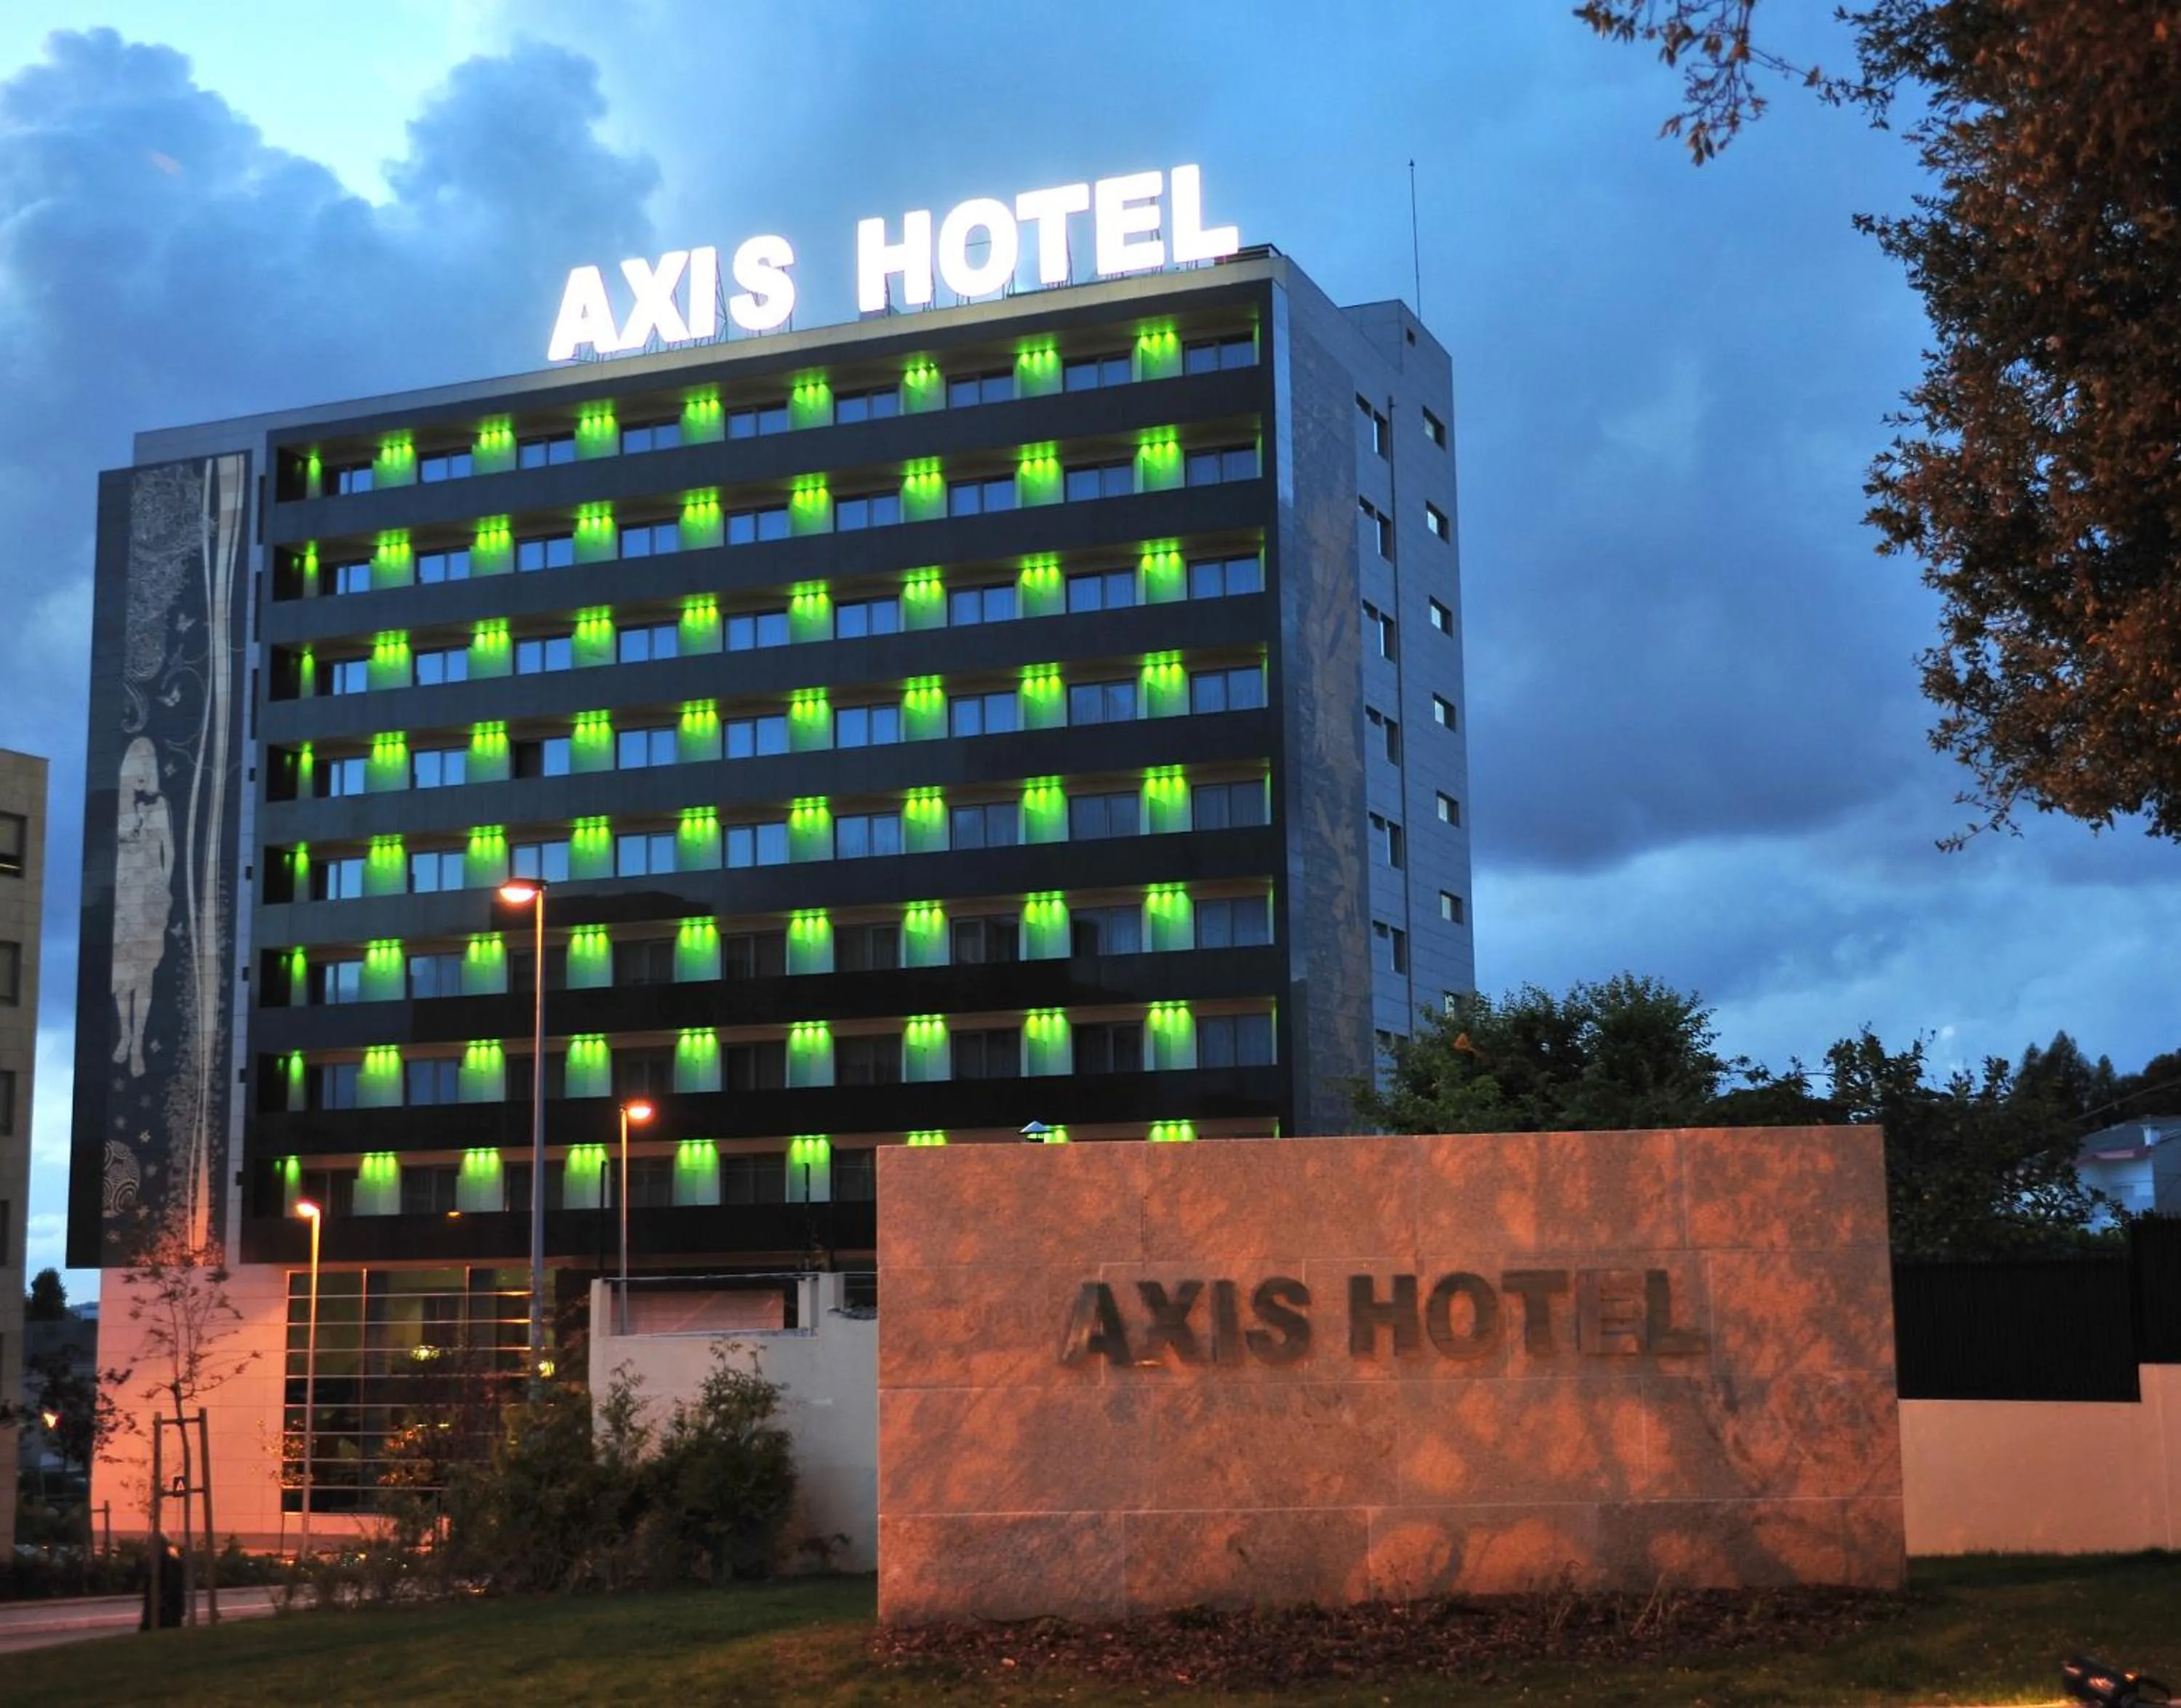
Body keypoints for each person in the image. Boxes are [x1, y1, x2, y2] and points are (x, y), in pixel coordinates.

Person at [140, 1532, 185, 1631]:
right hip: (159, 1611)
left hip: (165, 1612)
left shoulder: (168, 1564)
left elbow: (174, 1589)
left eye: (151, 1544)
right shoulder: (152, 1563)